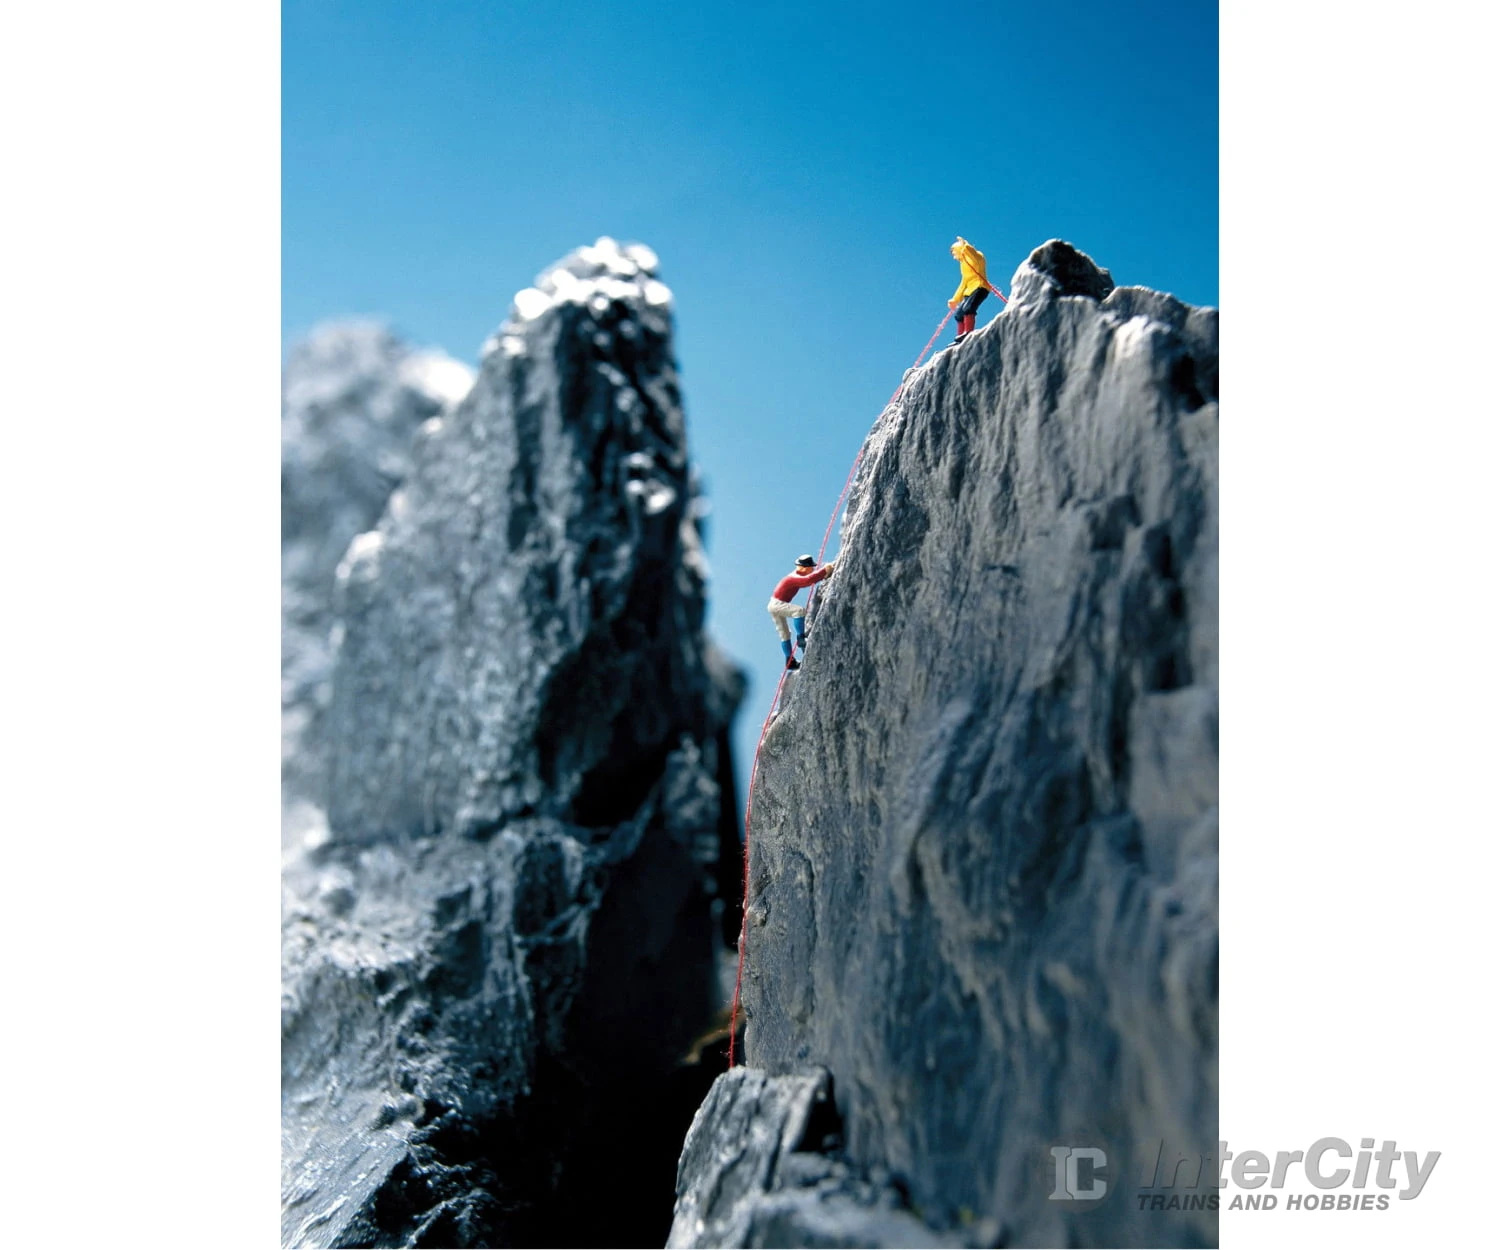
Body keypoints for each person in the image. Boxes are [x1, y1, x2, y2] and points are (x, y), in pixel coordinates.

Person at [768, 554, 835, 670]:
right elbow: (807, 580)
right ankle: (801, 639)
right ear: (804, 568)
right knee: (799, 611)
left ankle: (789, 661)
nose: (812, 569)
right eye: (811, 568)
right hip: (777, 604)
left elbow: (809, 578)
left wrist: (822, 574)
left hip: (773, 605)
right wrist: (824, 570)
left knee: (785, 634)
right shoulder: (793, 577)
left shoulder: (797, 575)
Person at [948, 236, 990, 345]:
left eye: (954, 253)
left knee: (968, 308)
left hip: (980, 287)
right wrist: (955, 299)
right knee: (958, 314)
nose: (954, 257)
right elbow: (964, 283)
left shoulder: (978, 256)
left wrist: (965, 246)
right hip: (969, 291)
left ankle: (968, 332)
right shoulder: (963, 265)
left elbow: (974, 255)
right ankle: (960, 338)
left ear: (959, 249)